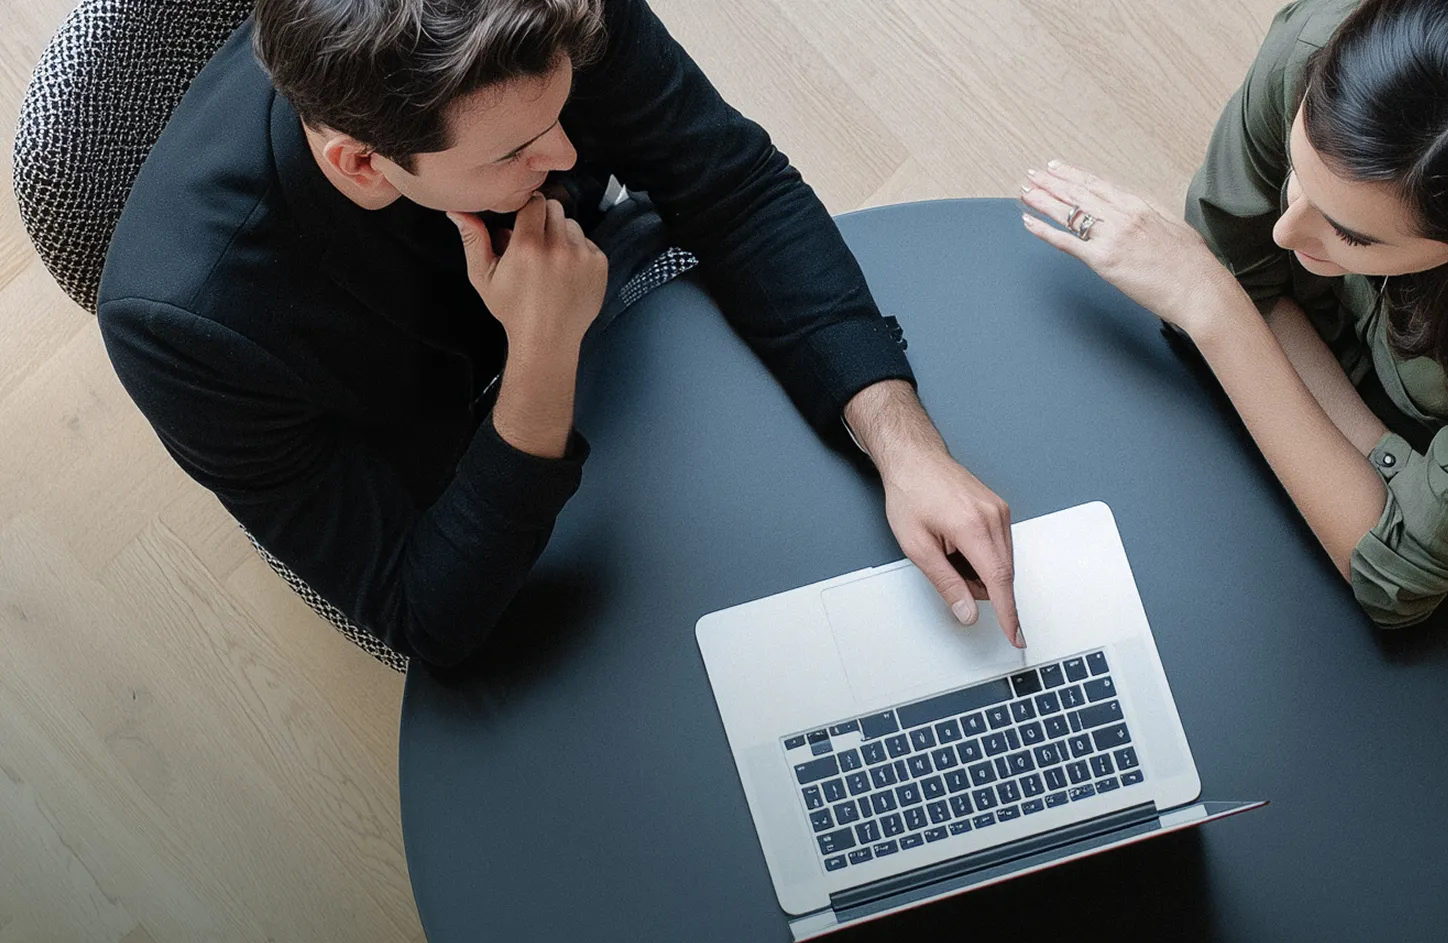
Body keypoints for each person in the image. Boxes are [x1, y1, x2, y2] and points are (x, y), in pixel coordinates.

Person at [99, 0, 1023, 667]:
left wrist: (906, 445)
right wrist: (544, 356)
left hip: (622, 321)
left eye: (562, 112)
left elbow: (731, 186)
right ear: (365, 165)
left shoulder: (539, 16)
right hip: (470, 476)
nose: (572, 157)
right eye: (516, 152)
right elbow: (420, 612)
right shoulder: (185, 326)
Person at [1020, 0, 1448, 626]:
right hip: (1383, 433)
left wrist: (1214, 306)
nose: (1285, 231)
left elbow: (1394, 580)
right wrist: (1375, 459)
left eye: (1351, 234)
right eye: (1298, 170)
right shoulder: (1320, 45)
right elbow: (1236, 252)